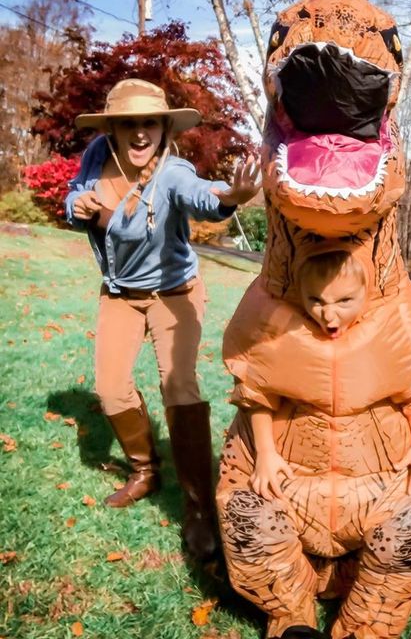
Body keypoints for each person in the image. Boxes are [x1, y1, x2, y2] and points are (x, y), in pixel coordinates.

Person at [65, 78, 260, 560]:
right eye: (127, 123)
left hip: (175, 294)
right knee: (111, 389)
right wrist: (78, 204)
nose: (138, 133)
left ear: (163, 126)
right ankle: (145, 470)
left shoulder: (172, 173)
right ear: (111, 129)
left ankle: (197, 507)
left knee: (179, 385)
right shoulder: (96, 156)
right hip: (121, 295)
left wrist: (233, 195)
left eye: (147, 122)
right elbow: (73, 195)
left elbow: (204, 195)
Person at [217, 247, 411, 639]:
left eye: (343, 301)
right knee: (246, 510)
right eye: (315, 301)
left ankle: (366, 623)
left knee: (410, 520)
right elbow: (257, 395)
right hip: (291, 490)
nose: (327, 313)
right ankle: (290, 614)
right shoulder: (280, 329)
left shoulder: (388, 331)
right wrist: (265, 455)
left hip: (377, 491)